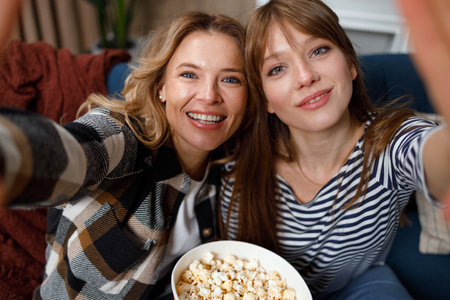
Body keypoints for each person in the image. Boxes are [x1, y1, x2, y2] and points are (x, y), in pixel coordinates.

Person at [0, 11, 248, 299]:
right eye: (189, 74)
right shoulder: (122, 139)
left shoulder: (231, 163)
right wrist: (13, 154)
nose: (209, 95)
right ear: (161, 87)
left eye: (230, 79)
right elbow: (71, 153)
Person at [219, 0, 450, 299]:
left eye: (318, 51)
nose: (305, 77)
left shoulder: (390, 141)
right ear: (265, 100)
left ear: (351, 63)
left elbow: (433, 156)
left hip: (357, 284)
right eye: (277, 68)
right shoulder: (240, 155)